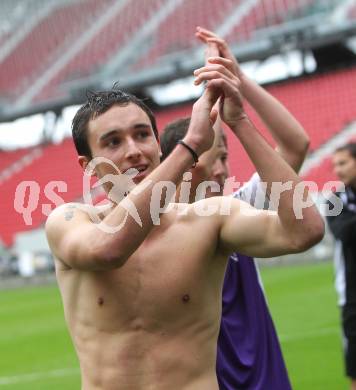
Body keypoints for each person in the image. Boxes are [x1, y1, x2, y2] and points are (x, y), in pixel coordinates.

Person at [45, 56, 324, 389]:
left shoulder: (209, 219)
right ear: (86, 164)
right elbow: (108, 249)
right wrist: (190, 146)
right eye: (113, 142)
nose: (134, 150)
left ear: (157, 145)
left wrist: (239, 121)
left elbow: (305, 232)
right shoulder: (69, 221)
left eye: (142, 135)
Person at [193, 26, 312, 389]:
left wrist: (239, 78)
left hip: (267, 379)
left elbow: (294, 145)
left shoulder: (239, 207)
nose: (221, 169)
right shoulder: (164, 227)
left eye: (225, 157)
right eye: (208, 158)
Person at [328, 142, 356, 390]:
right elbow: (346, 232)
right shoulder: (335, 200)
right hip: (353, 297)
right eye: (335, 164)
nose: (337, 170)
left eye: (343, 163)